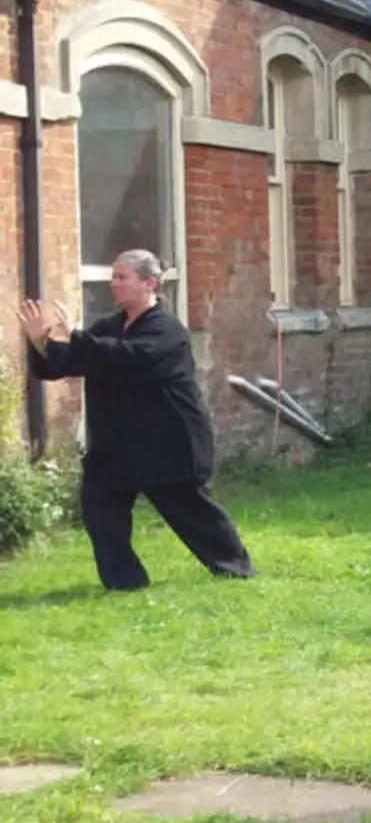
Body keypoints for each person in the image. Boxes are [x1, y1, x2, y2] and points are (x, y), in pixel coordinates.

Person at [16, 249, 253, 592]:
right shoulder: (110, 327)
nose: (114, 284)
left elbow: (128, 357)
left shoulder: (167, 330)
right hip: (116, 445)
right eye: (113, 277)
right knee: (101, 510)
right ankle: (125, 582)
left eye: (122, 277)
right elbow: (68, 361)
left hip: (167, 442)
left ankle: (235, 569)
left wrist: (78, 337)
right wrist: (41, 342)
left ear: (149, 283)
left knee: (192, 512)